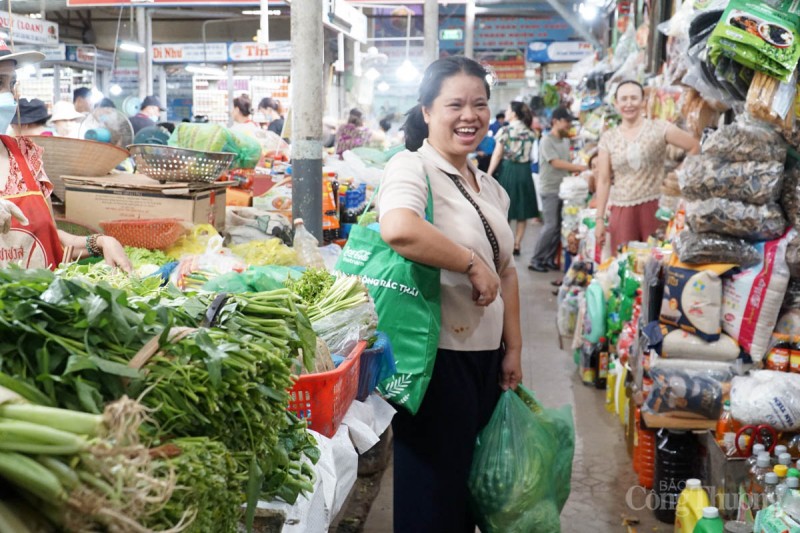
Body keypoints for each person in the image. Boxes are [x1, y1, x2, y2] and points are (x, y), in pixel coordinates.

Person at [379, 56, 522, 532]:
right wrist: (469, 262)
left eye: (479, 104)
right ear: (426, 111)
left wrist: (514, 348)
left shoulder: (489, 187)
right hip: (434, 359)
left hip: (483, 360)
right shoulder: (412, 167)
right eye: (455, 104)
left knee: (466, 492)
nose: (470, 115)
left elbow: (509, 272)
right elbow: (399, 227)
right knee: (432, 497)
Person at [0, 42, 131, 272]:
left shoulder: (26, 158)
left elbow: (48, 238)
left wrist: (100, 243)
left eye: (11, 84)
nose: (8, 96)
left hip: (36, 305)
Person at [595, 80, 700, 253]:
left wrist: (677, 175)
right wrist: (600, 219)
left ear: (644, 102)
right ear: (616, 103)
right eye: (624, 99)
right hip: (621, 211)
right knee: (623, 264)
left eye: (634, 98)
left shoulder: (659, 128)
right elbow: (604, 180)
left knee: (655, 264)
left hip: (655, 208)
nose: (629, 104)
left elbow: (694, 146)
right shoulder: (608, 138)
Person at [529, 107, 587, 273]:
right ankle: (536, 259)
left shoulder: (565, 140)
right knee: (550, 225)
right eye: (566, 122)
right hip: (550, 188)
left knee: (558, 227)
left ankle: (548, 259)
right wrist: (580, 167)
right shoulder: (546, 140)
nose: (568, 125)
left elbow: (566, 163)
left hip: (565, 189)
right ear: (555, 121)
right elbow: (555, 162)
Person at [487, 101, 538, 256]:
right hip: (524, 171)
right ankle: (517, 244)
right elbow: (534, 157)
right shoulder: (531, 132)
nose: (506, 112)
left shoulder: (505, 131)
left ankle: (506, 243)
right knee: (522, 210)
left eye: (508, 110)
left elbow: (497, 154)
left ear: (514, 114)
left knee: (505, 208)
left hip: (508, 170)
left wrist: (488, 174)